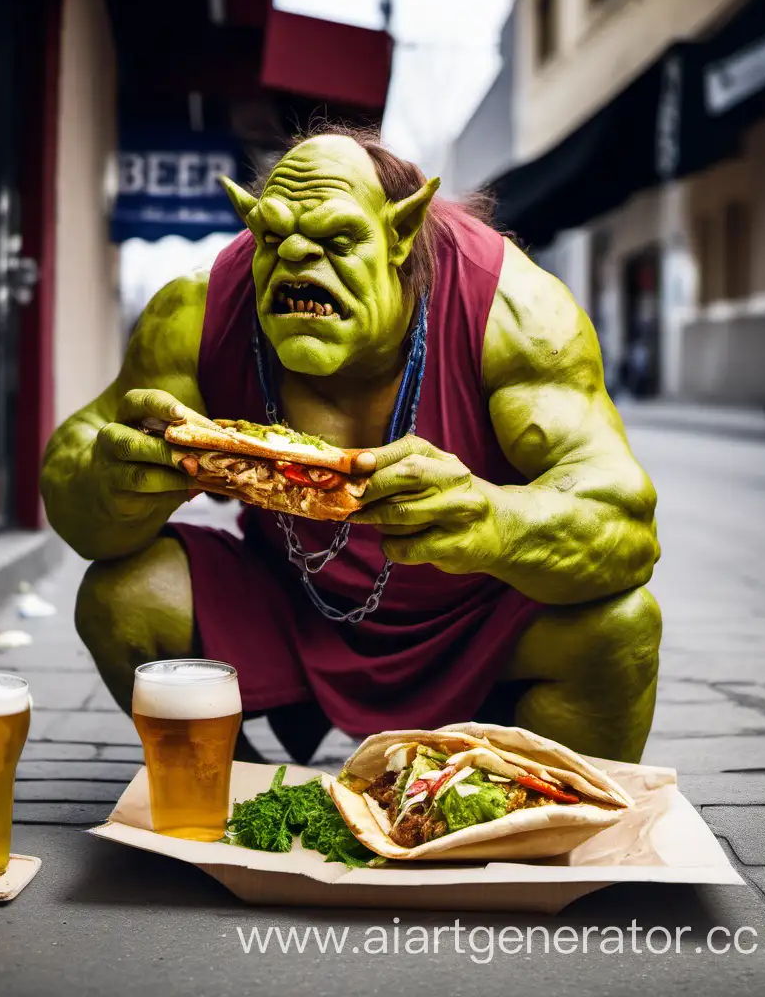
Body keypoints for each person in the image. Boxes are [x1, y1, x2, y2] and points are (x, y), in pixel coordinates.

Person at [41, 128, 661, 764]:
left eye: (338, 241)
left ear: (401, 233)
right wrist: (114, 487)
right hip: (291, 604)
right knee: (125, 598)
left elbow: (624, 523)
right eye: (273, 238)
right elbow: (74, 462)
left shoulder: (512, 307)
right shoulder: (200, 311)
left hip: (475, 616)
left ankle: (538, 830)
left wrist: (493, 519)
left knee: (621, 626)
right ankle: (226, 804)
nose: (297, 265)